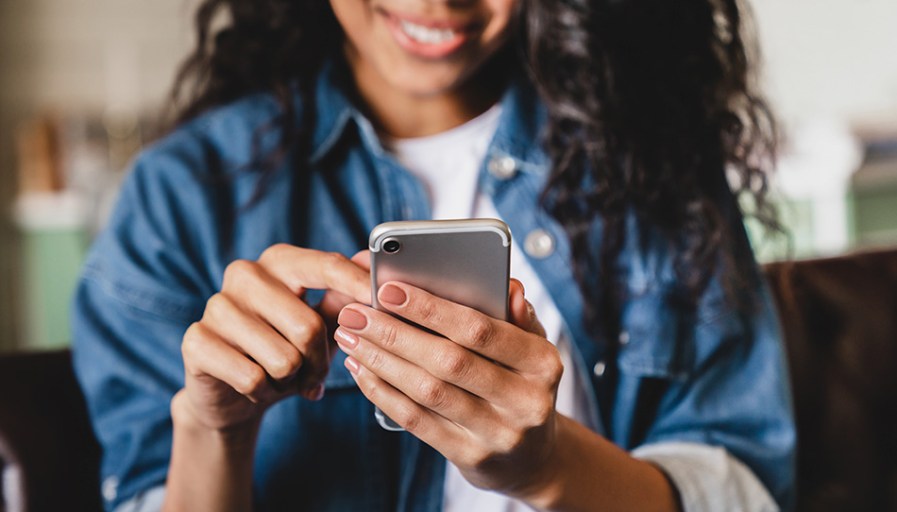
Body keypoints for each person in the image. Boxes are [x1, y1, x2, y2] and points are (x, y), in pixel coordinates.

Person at [72, 1, 796, 511]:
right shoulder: (183, 194)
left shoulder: (651, 160)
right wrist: (212, 428)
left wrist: (545, 467)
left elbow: (740, 488)